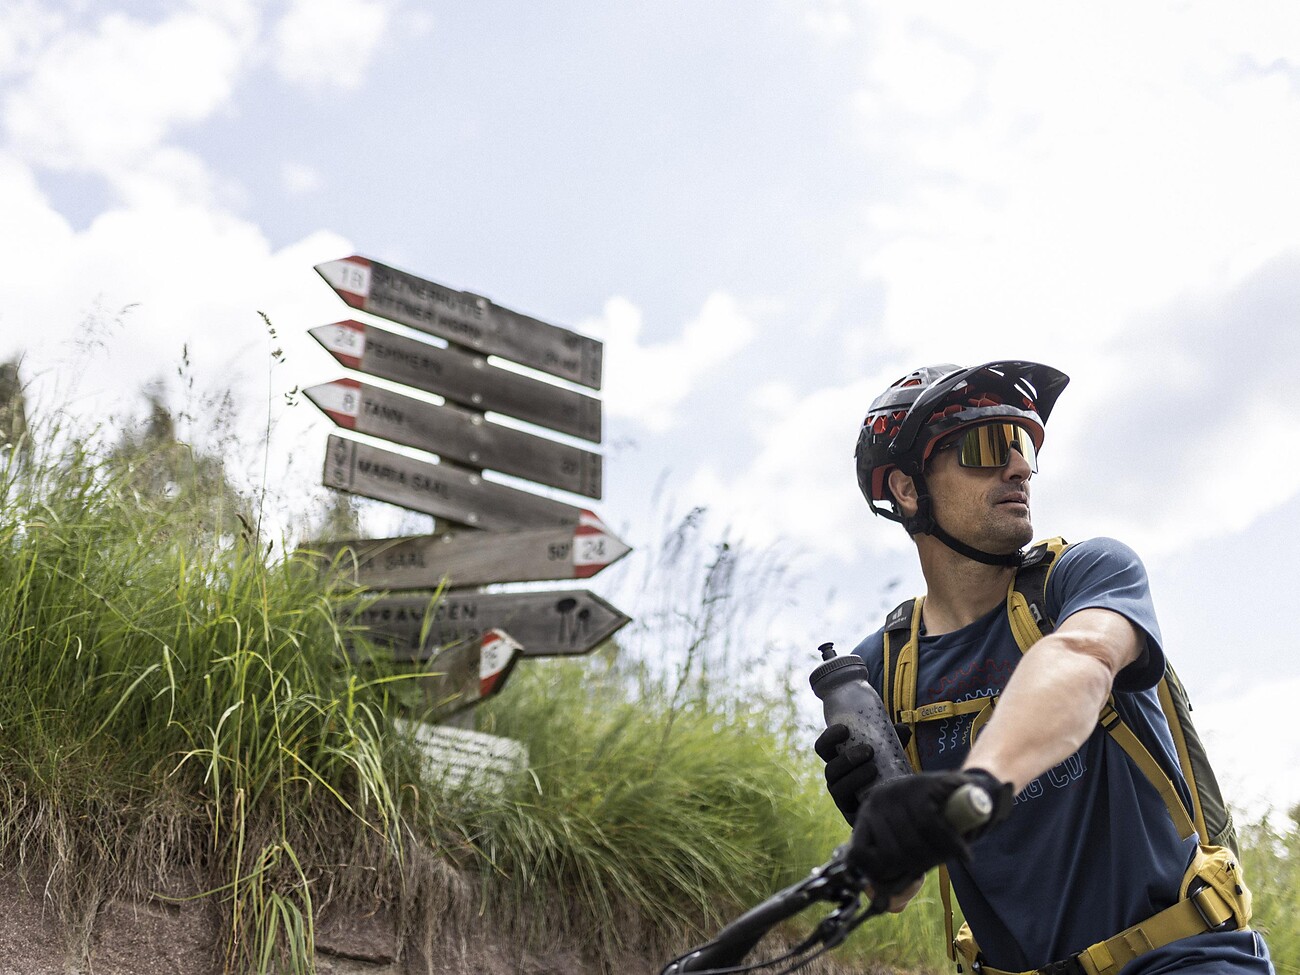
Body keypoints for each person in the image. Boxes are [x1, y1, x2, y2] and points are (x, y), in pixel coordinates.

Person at [816, 361, 1273, 975]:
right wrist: (877, 823)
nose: (1018, 467)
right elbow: (899, 893)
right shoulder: (883, 667)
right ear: (905, 488)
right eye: (986, 446)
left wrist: (979, 781)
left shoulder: (1083, 577)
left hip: (1181, 958)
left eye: (1024, 445)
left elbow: (1083, 657)